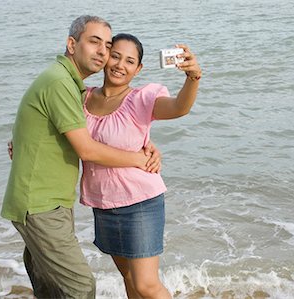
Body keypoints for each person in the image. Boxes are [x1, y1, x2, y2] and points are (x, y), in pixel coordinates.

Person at [1, 16, 162, 299]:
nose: (102, 51)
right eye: (94, 42)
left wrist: (147, 144)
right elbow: (87, 148)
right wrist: (137, 158)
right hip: (39, 205)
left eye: (107, 45)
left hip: (47, 202)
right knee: (80, 287)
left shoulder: (73, 86)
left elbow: (103, 127)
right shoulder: (60, 82)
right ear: (72, 44)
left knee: (51, 289)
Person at [80, 33, 201, 298]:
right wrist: (19, 140)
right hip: (103, 203)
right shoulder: (82, 98)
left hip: (140, 203)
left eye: (130, 61)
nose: (120, 65)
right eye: (115, 56)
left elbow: (179, 108)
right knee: (130, 281)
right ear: (104, 57)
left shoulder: (142, 99)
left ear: (138, 69)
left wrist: (192, 77)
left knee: (146, 284)